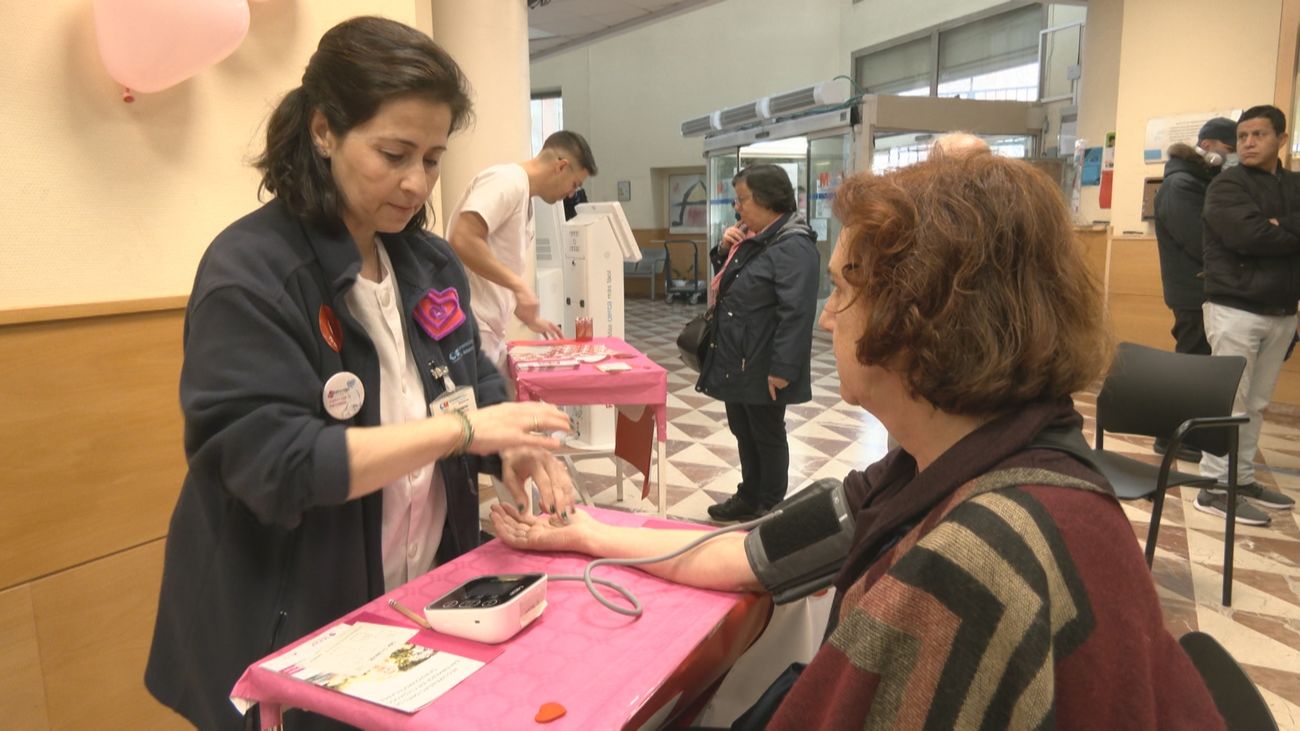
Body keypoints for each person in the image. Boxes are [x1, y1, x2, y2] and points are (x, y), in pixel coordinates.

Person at [490, 153, 1224, 729]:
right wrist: (585, 533)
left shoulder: (974, 557)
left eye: (844, 291)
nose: (828, 318)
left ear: (920, 318)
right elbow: (751, 554)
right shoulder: (937, 468)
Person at [144, 18, 576, 730]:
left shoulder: (427, 262)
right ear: (324, 131)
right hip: (287, 622)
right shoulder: (252, 273)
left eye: (432, 159)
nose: (416, 183)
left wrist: (509, 447)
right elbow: (275, 464)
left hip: (413, 602)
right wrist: (464, 431)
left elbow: (466, 377)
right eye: (394, 154)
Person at [1197, 105, 1300, 525]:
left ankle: (1240, 479)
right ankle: (1214, 486)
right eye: (1243, 137)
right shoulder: (1226, 184)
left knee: (1256, 403)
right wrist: (1279, 229)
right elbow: (1248, 235)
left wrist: (1279, 225)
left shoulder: (1294, 184)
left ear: (1282, 139)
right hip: (1234, 307)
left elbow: (1268, 234)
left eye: (1259, 135)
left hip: (1282, 310)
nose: (1249, 143)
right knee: (1229, 402)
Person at [702, 164, 819, 522]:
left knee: (766, 434)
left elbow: (796, 313)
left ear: (768, 200)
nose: (737, 208)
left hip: (764, 360)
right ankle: (748, 495)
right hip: (738, 355)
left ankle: (769, 506)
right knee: (743, 429)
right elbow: (736, 284)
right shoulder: (755, 237)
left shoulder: (793, 245)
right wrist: (724, 250)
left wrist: (783, 368)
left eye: (743, 199)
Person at [446, 131, 598, 372]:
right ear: (561, 167)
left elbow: (495, 265)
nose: (571, 195)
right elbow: (463, 238)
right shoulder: (507, 181)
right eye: (574, 185)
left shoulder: (525, 197)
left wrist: (525, 313)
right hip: (470, 323)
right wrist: (518, 286)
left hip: (488, 328)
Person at [1152, 117, 1237, 462]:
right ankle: (1169, 436)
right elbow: (1199, 241)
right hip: (1192, 288)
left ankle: (1185, 435)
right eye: (1230, 148)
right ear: (1207, 146)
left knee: (1196, 363)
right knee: (1191, 363)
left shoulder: (1197, 180)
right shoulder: (1181, 184)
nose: (1234, 155)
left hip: (1199, 286)